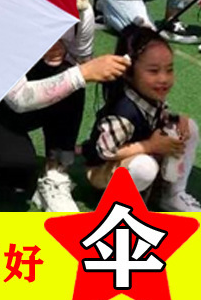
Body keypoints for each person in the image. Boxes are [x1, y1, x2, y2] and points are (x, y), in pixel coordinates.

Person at [0, 43, 129, 211]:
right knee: (17, 168)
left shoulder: (83, 18)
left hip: (16, 94)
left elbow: (82, 60)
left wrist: (61, 57)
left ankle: (55, 173)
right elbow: (20, 99)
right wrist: (81, 72)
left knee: (69, 78)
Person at [83, 26, 200, 211]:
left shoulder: (149, 97)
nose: (164, 78)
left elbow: (157, 118)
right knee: (145, 167)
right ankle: (122, 207)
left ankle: (172, 195)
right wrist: (150, 146)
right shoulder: (123, 112)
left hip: (134, 158)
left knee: (189, 128)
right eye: (153, 71)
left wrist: (177, 120)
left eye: (169, 70)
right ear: (128, 73)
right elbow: (104, 151)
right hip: (104, 172)